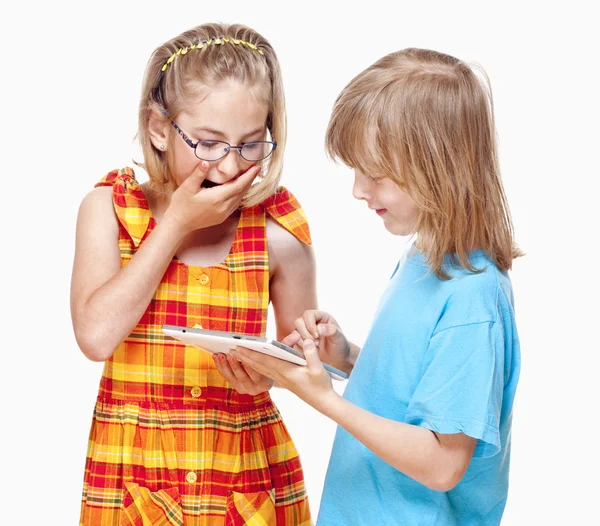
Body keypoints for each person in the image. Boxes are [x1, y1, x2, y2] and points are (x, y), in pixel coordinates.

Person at [230, 48, 522, 525]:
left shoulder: (473, 297)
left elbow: (444, 463)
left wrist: (325, 399)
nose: (358, 190)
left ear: (438, 169)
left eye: (375, 174)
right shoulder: (426, 261)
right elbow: (424, 392)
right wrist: (343, 354)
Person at [70, 22, 316, 525]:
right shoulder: (109, 209)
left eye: (251, 145)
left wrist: (267, 379)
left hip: (243, 477)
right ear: (159, 128)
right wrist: (177, 223)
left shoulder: (277, 227)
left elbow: (300, 363)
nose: (229, 167)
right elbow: (96, 337)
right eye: (208, 144)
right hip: (134, 476)